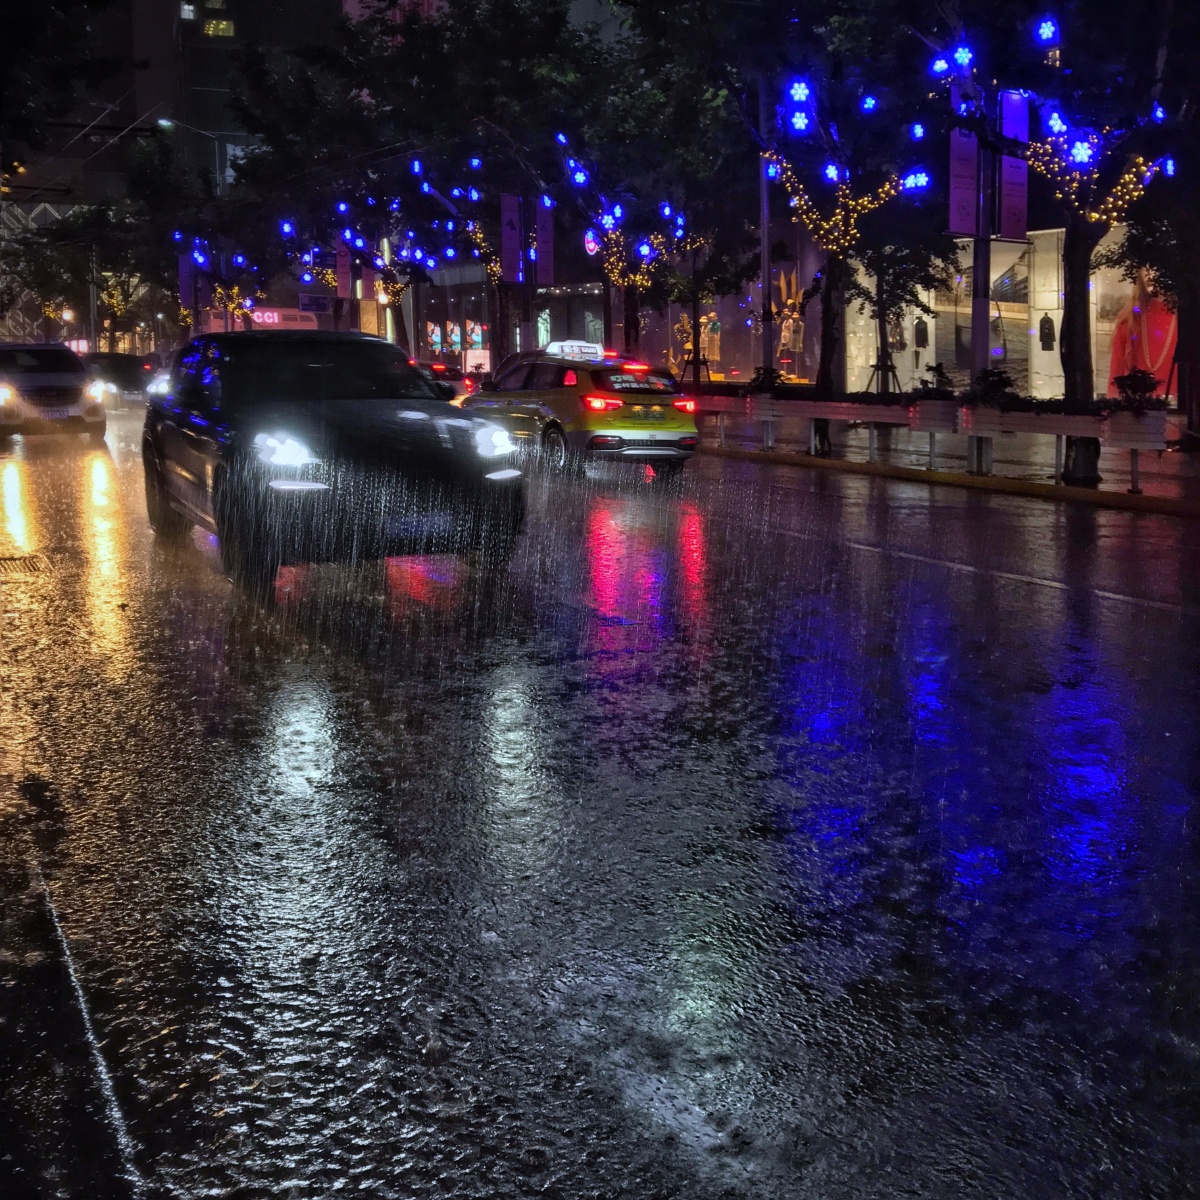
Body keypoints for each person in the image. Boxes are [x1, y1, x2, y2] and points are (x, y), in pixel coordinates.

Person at [1107, 269, 1178, 397]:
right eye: (1146, 266)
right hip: (1135, 410)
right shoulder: (1129, 317)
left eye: (1157, 266)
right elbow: (1115, 376)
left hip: (1181, 410)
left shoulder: (1187, 318)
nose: (1151, 273)